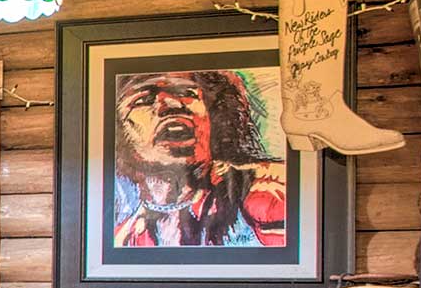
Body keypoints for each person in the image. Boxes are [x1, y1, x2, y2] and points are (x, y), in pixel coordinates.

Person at [107, 69, 291, 248]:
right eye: (144, 100)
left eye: (188, 93)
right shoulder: (120, 240)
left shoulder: (265, 197)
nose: (172, 104)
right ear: (118, 132)